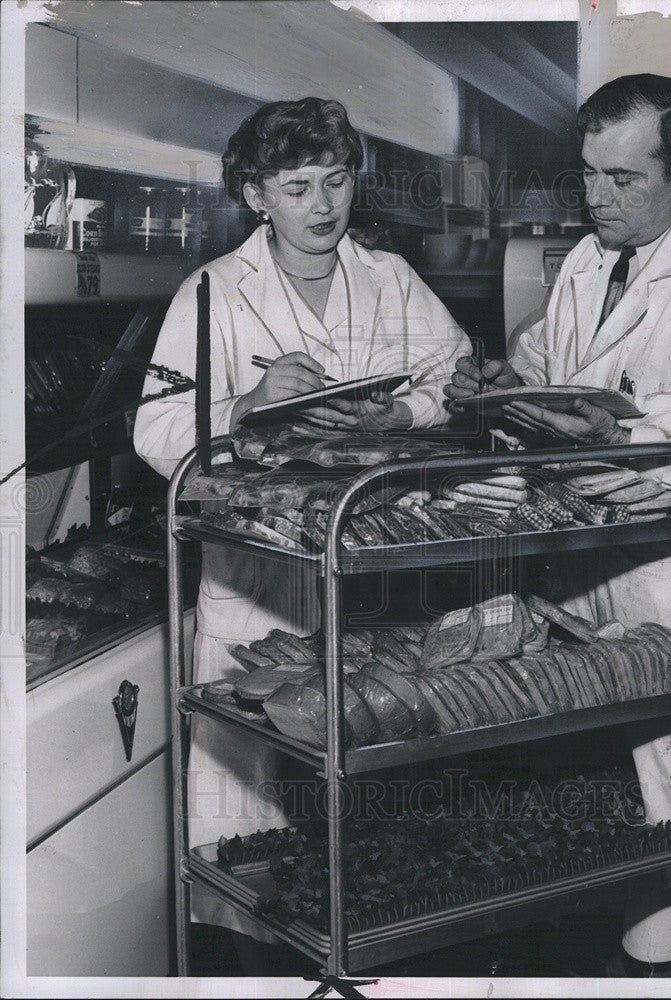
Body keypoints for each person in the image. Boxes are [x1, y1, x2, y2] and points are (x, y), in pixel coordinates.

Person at [445, 73, 671, 975]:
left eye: (623, 180)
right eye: (587, 175)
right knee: (609, 848)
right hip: (595, 596)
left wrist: (668, 463)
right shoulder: (593, 259)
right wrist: (512, 386)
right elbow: (560, 360)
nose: (597, 198)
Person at [135, 97, 470, 953]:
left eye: (337, 180)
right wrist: (246, 406)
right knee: (248, 835)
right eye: (297, 187)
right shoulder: (210, 293)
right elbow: (155, 432)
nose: (323, 205)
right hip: (254, 591)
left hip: (369, 585)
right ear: (256, 196)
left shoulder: (390, 277)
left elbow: (458, 375)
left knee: (360, 812)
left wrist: (406, 413)